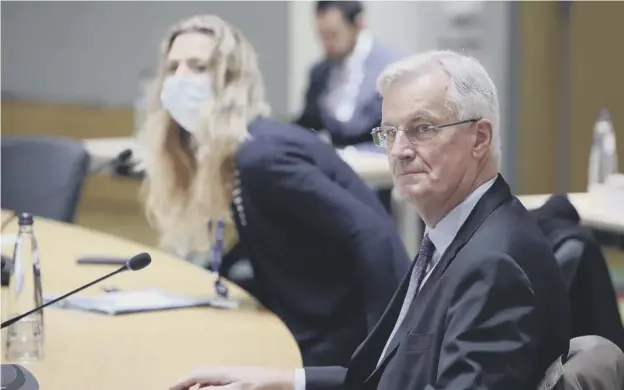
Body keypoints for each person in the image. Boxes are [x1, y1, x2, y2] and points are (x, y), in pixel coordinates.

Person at [167, 50, 572, 390]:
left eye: (422, 128)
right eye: (389, 132)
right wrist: (283, 380)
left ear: (480, 138)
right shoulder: (454, 234)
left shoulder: (493, 266)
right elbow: (389, 377)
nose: (399, 150)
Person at [140, 15, 410, 367]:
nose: (179, 79)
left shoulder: (263, 157)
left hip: (343, 344)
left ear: (232, 80)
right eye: (172, 67)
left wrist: (390, 357)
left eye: (199, 66)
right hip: (305, 326)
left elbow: (374, 236)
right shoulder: (237, 154)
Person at [295, 1, 403, 148]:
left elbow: (399, 133)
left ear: (358, 23)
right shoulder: (319, 72)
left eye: (333, 35)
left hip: (378, 162)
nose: (326, 44)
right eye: (321, 35)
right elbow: (308, 125)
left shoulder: (393, 67)